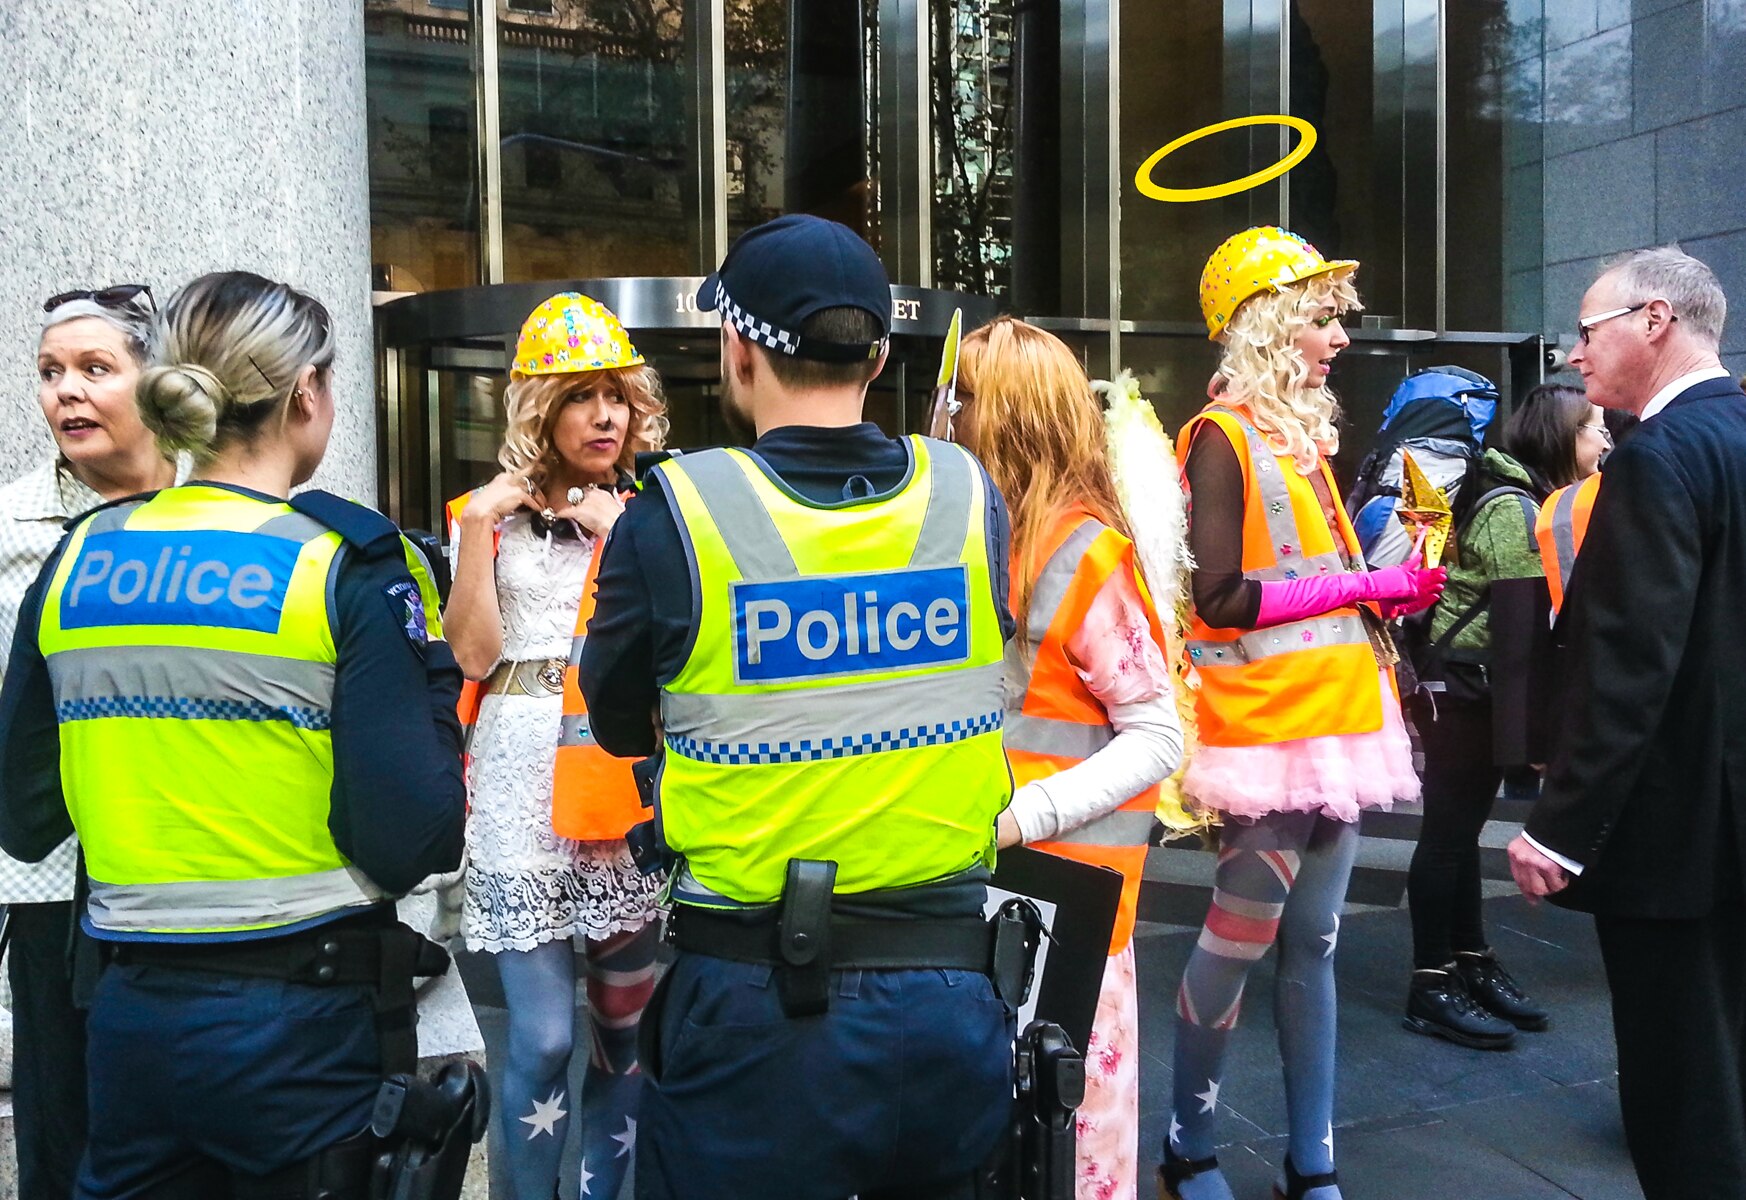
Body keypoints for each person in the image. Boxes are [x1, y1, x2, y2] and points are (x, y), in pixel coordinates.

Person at [0, 270, 467, 1199]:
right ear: (307, 394)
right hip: (303, 1027)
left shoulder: (78, 558)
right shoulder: (343, 563)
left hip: (128, 1019)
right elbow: (412, 835)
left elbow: (23, 817)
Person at [579, 213, 1017, 1200]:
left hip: (754, 1011)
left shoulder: (677, 512)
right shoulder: (966, 494)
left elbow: (613, 723)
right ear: (880, 354)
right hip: (948, 999)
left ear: (738, 350)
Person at [1161, 227, 1444, 1200]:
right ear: (1268, 325)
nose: (1341, 338)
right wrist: (1363, 582)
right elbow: (1222, 599)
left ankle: (1311, 1161)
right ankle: (1187, 1144)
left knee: (1316, 944)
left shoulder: (1300, 439)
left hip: (1333, 723)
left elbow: (1313, 580)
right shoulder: (1223, 437)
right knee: (1238, 943)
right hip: (1265, 733)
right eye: (1323, 318)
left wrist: (1389, 587)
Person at [1508, 246, 1746, 1200]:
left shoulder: (1657, 459)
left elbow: (1626, 666)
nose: (1574, 354)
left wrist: (1559, 829)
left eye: (1588, 329)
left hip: (1678, 842)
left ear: (1655, 320)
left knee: (1687, 1092)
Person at [950, 316, 1182, 1200]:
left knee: (1069, 1149)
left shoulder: (1082, 551)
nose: (945, 416)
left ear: (1003, 416)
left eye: (962, 399)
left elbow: (1156, 735)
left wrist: (1021, 817)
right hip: (994, 886)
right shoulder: (983, 533)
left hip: (1063, 902)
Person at [442, 292, 667, 1200]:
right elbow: (472, 654)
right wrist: (471, 531)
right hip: (516, 785)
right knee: (539, 1038)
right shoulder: (485, 515)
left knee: (627, 1038)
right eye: (581, 396)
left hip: (615, 789)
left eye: (616, 394)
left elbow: (674, 658)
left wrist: (624, 542)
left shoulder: (656, 514)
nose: (605, 415)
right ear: (542, 408)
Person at [0, 285, 181, 1199]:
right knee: (63, 1127)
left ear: (158, 383)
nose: (66, 391)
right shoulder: (10, 527)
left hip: (191, 873)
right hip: (47, 884)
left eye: (95, 369)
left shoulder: (216, 516)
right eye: (49, 373)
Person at [1403, 382, 1602, 1049]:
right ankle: (1430, 982)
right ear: (1559, 439)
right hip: (1463, 688)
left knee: (1458, 835)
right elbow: (1520, 633)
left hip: (1468, 684)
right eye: (1591, 428)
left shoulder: (1515, 496)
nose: (1602, 439)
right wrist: (1536, 741)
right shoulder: (1517, 509)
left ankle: (1469, 960)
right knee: (1447, 837)